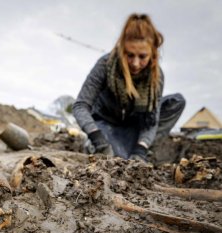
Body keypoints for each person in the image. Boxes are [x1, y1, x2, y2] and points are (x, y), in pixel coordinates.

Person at [73, 13, 185, 161]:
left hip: (134, 125)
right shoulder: (105, 64)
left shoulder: (157, 76)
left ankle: (137, 146)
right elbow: (81, 105)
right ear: (122, 49)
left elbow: (152, 122)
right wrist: (97, 137)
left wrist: (141, 149)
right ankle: (97, 145)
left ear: (153, 53)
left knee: (177, 101)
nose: (135, 63)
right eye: (130, 55)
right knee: (116, 160)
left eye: (143, 56)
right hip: (106, 124)